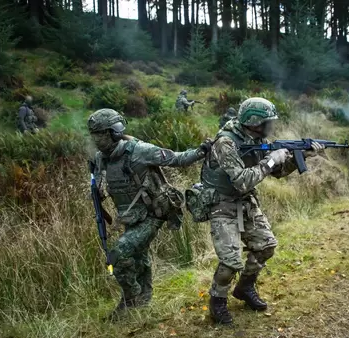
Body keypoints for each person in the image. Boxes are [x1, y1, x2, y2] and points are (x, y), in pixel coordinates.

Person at [199, 97, 324, 324]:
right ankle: (217, 301)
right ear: (254, 121)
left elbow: (277, 173)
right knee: (230, 262)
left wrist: (300, 158)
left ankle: (245, 288)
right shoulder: (225, 142)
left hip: (245, 202)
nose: (271, 126)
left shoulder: (257, 138)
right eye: (267, 121)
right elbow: (242, 181)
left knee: (266, 246)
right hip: (222, 204)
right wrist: (270, 161)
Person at [87, 108, 212, 314]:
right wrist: (97, 191)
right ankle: (143, 301)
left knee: (119, 254)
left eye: (99, 134)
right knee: (139, 258)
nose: (95, 139)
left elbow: (177, 159)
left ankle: (130, 300)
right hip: (130, 216)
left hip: (153, 214)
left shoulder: (139, 151)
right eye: (93, 135)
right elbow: (101, 186)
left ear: (112, 133)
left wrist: (201, 151)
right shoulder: (102, 158)